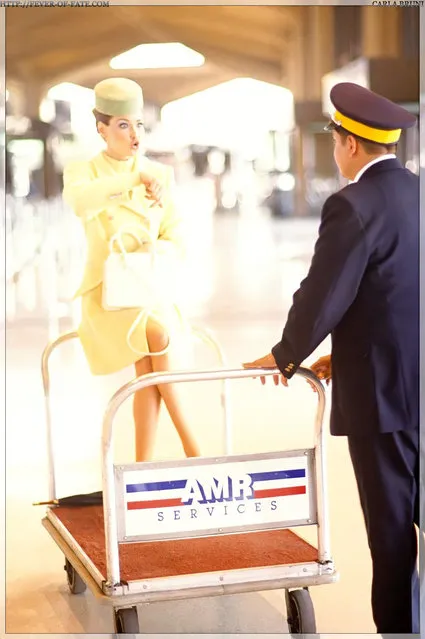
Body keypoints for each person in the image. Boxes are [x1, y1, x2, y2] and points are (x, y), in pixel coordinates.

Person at [243, 82, 419, 634]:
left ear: (348, 144)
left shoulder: (353, 204)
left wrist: (286, 354)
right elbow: (398, 291)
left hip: (384, 399)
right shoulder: (418, 193)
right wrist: (341, 357)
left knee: (392, 539)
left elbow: (326, 292)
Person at [63, 77, 200, 461]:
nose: (134, 135)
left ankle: (144, 465)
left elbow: (178, 234)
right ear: (101, 129)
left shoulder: (161, 175)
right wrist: (131, 180)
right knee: (157, 335)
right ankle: (194, 447)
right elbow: (80, 203)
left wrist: (157, 249)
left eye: (138, 124)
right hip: (108, 295)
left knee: (147, 367)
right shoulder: (84, 172)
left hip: (149, 288)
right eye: (123, 125)